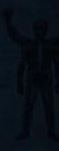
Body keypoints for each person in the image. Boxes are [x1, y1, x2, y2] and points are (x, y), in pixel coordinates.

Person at [4, 9, 59, 140]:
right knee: (28, 107)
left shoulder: (50, 45)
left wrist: (58, 81)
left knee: (49, 107)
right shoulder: (28, 44)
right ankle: (25, 132)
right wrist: (19, 82)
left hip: (46, 79)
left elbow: (57, 64)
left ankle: (51, 132)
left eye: (43, 28)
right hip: (32, 79)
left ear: (46, 30)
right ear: (35, 30)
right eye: (38, 28)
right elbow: (15, 38)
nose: (41, 31)